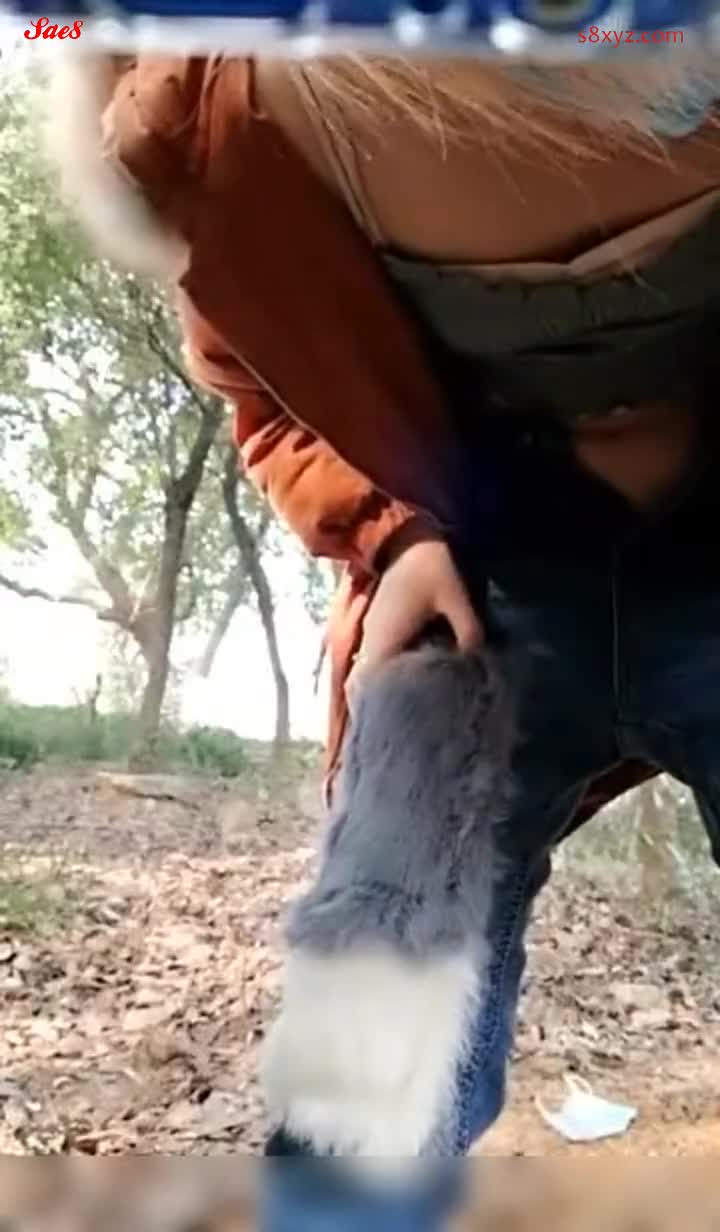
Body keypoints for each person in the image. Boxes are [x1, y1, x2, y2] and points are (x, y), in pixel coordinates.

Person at [47, 46, 720, 1228]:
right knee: (379, 983)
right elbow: (264, 388)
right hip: (480, 573)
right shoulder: (210, 130)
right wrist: (390, 531)